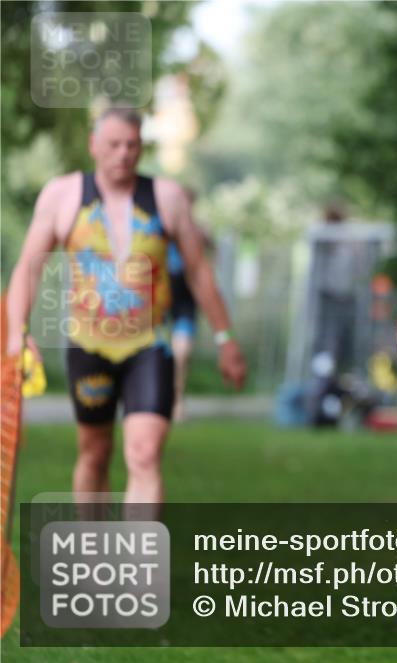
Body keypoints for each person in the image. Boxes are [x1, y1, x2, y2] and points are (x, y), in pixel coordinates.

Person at [4, 107, 246, 513]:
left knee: (144, 454)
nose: (123, 154)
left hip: (149, 345)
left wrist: (226, 339)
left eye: (132, 145)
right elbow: (28, 268)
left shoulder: (166, 198)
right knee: (95, 453)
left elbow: (199, 272)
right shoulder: (62, 196)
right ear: (93, 145)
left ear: (141, 147)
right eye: (114, 144)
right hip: (89, 346)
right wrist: (17, 334)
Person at [166, 189, 210, 422]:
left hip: (185, 300)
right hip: (160, 299)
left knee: (181, 353)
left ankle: (177, 398)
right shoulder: (161, 227)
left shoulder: (197, 232)